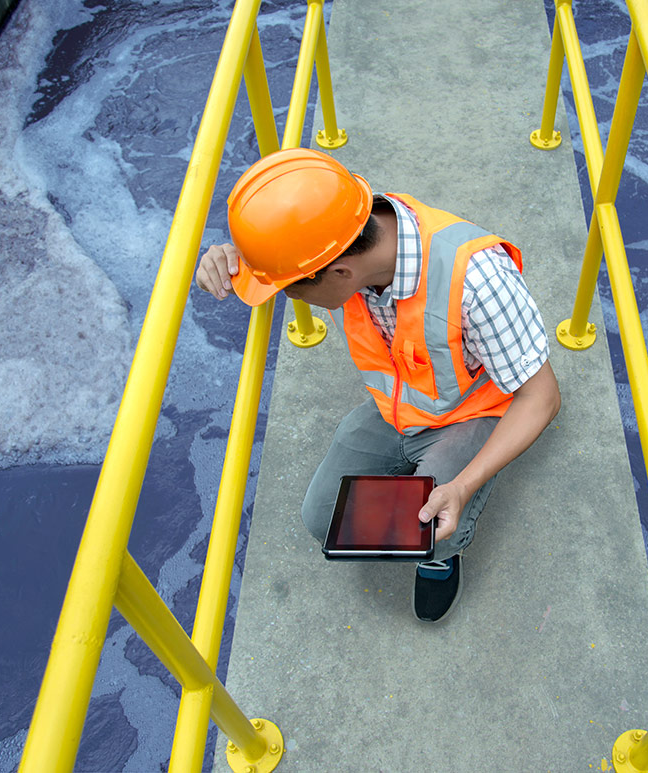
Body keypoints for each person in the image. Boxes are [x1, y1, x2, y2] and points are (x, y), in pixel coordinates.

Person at [196, 148, 560, 622]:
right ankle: (425, 501)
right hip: (398, 406)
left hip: (477, 410)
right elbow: (286, 244)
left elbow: (542, 397)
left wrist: (464, 485)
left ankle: (440, 560)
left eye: (290, 290)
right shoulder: (341, 229)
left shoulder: (478, 279)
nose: (287, 298)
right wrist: (229, 259)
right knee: (322, 516)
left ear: (340, 273)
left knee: (435, 526)